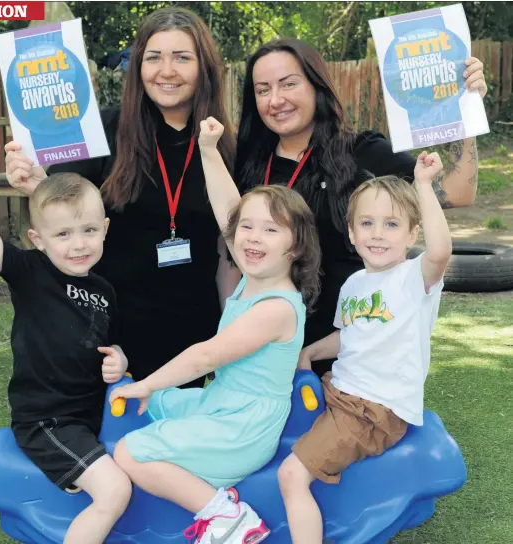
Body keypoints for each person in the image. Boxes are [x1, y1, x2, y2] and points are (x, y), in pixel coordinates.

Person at [104, 117, 321, 544]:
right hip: (223, 403)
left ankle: (227, 517)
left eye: (271, 230)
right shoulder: (253, 277)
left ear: (294, 247)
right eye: (248, 228)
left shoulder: (275, 307)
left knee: (130, 453)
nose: (253, 237)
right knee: (158, 405)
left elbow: (205, 357)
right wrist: (208, 149)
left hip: (243, 428)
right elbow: (230, 209)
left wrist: (146, 382)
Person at [4, 7, 241, 388]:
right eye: (154, 57)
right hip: (110, 328)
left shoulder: (221, 142)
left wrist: (230, 322)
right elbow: (65, 208)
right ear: (138, 66)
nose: (167, 71)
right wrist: (36, 184)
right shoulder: (102, 130)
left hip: (189, 329)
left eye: (182, 57)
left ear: (204, 68)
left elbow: (228, 241)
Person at [235, 38, 486, 377]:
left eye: (289, 84)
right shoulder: (247, 165)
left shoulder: (362, 152)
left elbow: (456, 193)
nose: (275, 100)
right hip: (265, 348)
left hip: (347, 356)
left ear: (316, 85)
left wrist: (467, 113)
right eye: (263, 90)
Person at [0, 130, 133, 544]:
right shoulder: (30, 272)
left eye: (89, 230)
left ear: (105, 229)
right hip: (48, 420)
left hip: (92, 416)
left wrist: (121, 361)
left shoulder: (104, 291)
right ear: (38, 240)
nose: (78, 245)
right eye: (63, 235)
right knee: (115, 490)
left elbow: (111, 346)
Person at [277, 151, 451, 544]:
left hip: (372, 410)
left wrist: (422, 184)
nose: (377, 234)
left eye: (391, 225)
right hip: (341, 391)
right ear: (351, 233)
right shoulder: (356, 284)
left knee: (291, 475)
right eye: (367, 224)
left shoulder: (412, 279)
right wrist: (307, 353)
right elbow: (349, 335)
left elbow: (439, 253)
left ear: (411, 235)